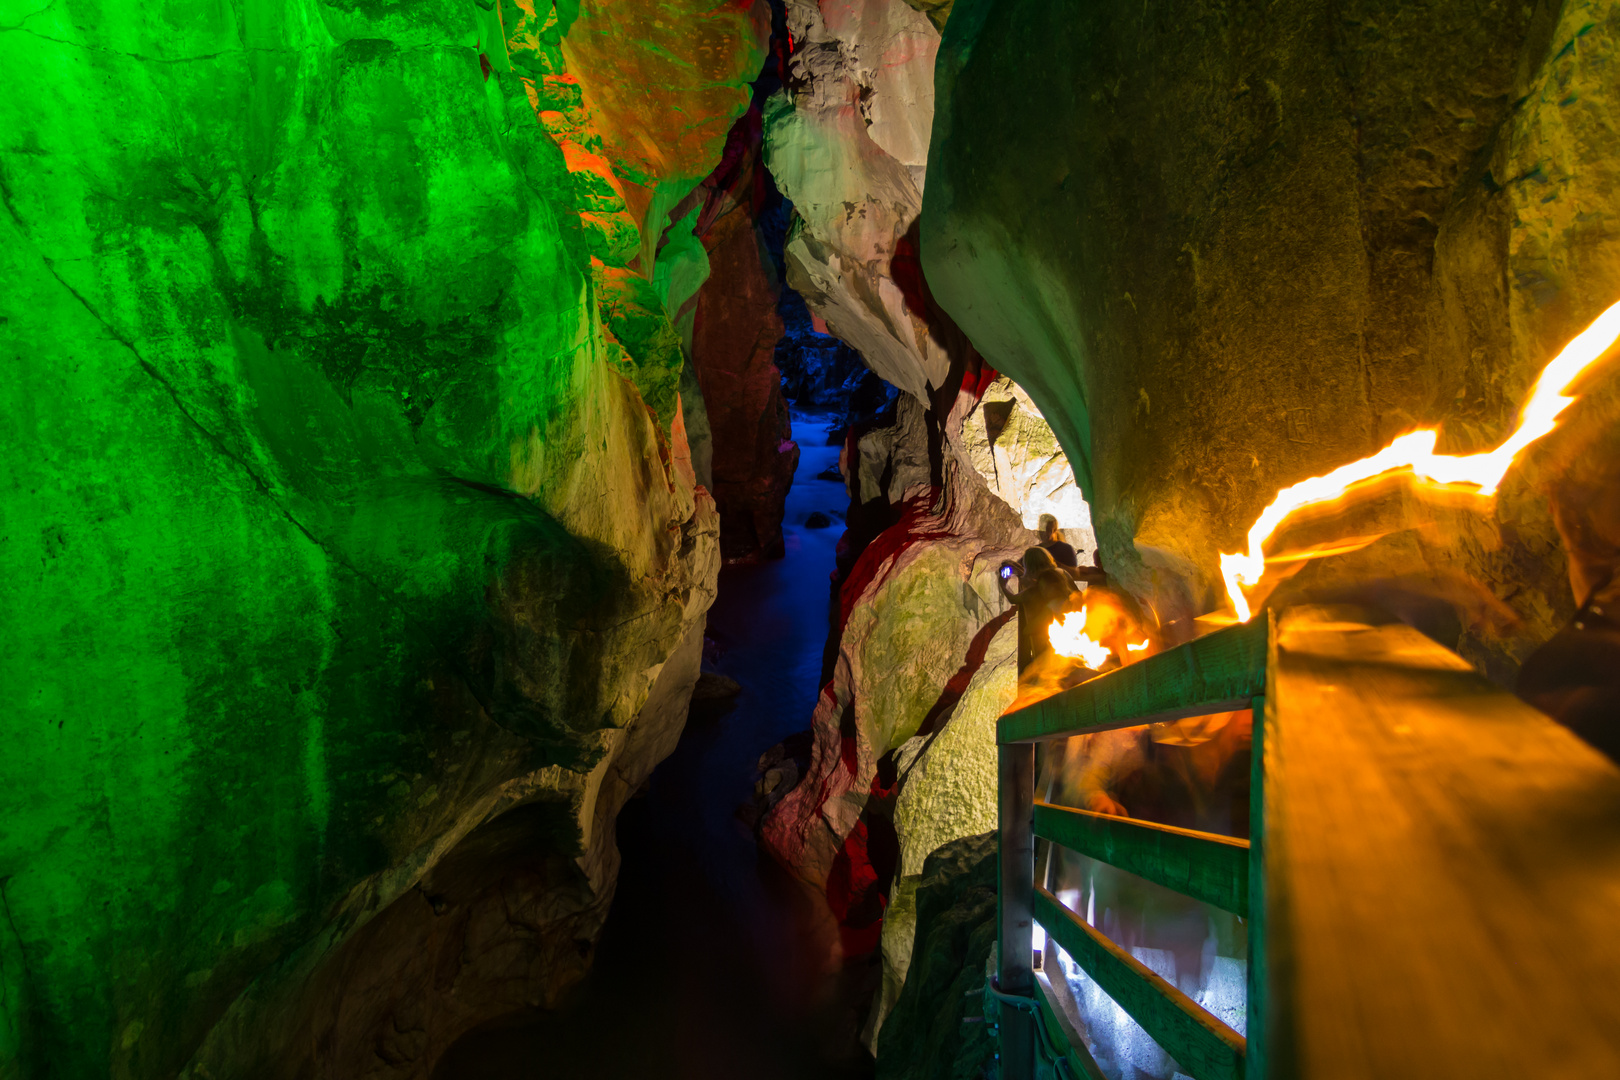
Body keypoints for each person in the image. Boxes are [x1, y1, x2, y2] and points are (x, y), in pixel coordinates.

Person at [1037, 514, 1107, 583]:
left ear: (1055, 530)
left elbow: (1075, 574)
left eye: (1048, 530)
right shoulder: (1035, 550)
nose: (1044, 533)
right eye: (1042, 530)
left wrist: (1054, 564)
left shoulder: (1065, 548)